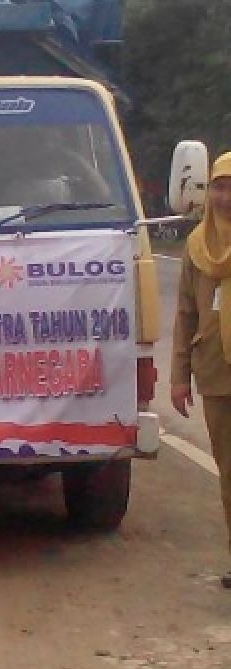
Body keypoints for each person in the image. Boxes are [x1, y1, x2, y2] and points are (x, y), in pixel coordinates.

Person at [172, 151, 231, 589]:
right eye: (220, 186)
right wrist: (178, 376)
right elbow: (186, 314)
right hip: (214, 371)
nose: (227, 196)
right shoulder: (196, 246)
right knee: (228, 471)